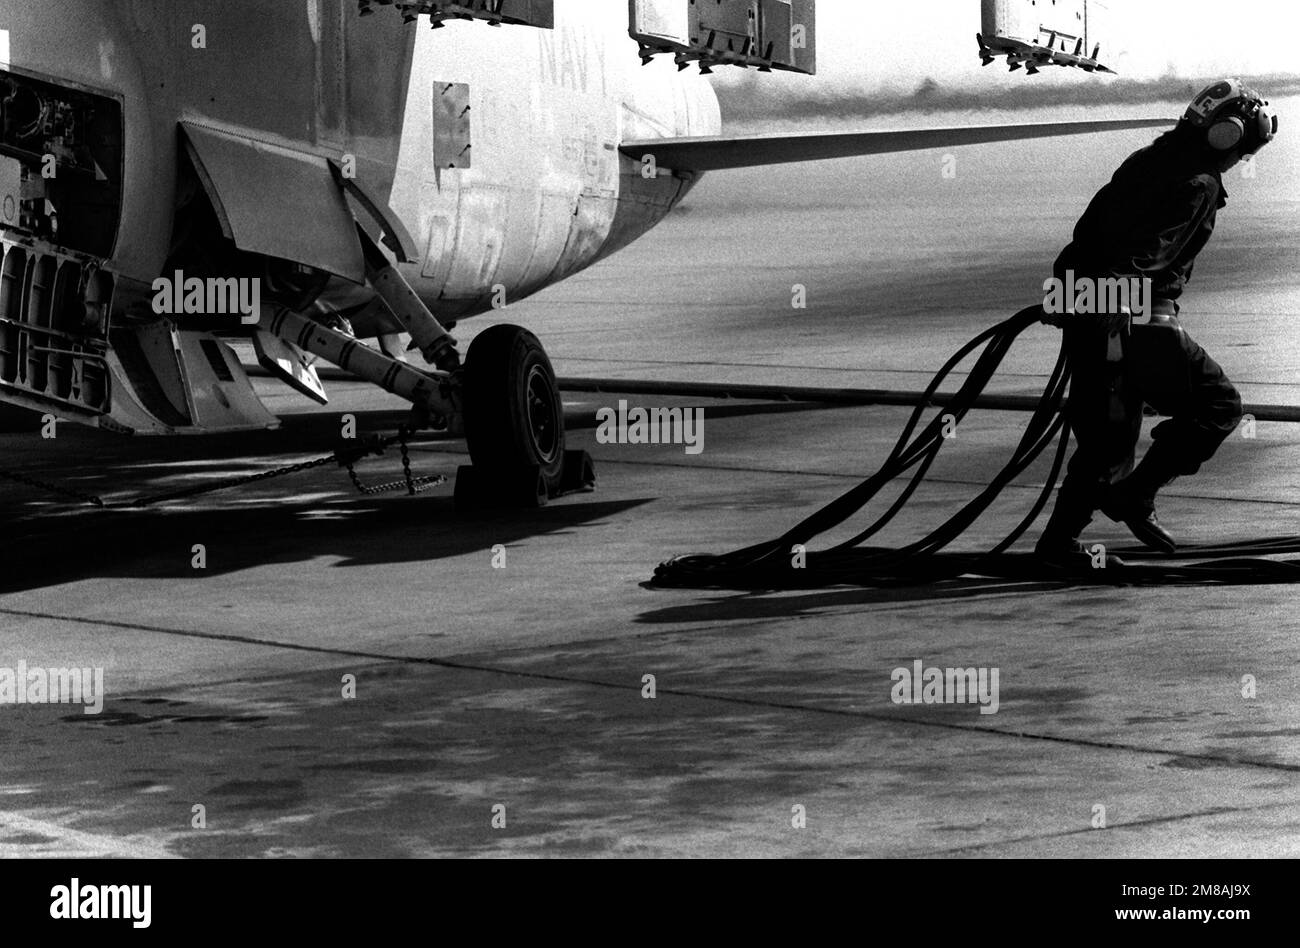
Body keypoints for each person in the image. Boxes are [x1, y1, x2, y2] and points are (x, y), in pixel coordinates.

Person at [1036, 79, 1278, 569]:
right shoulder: (1199, 181)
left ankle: (1058, 546)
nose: (1240, 159)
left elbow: (1087, 233)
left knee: (1108, 436)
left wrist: (1068, 294)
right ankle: (1134, 496)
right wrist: (1108, 307)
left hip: (1092, 306)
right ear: (1227, 136)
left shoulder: (1146, 159)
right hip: (1132, 316)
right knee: (1217, 405)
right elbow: (1146, 257)